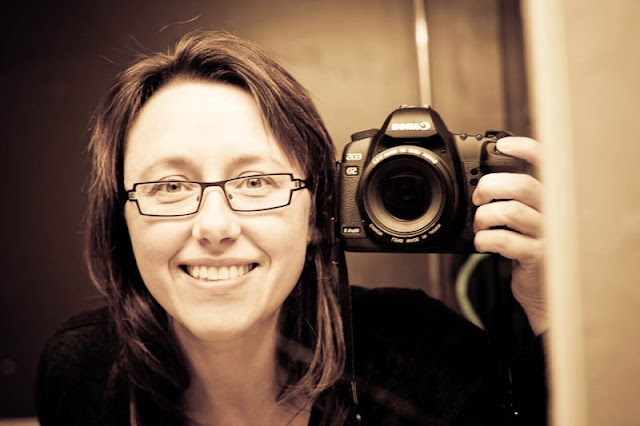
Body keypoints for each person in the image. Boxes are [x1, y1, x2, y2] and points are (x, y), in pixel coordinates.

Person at [35, 30, 546, 426]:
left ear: (316, 214)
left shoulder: (425, 357)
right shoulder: (84, 371)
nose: (214, 226)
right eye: (170, 186)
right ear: (121, 217)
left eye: (256, 181)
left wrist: (549, 310)